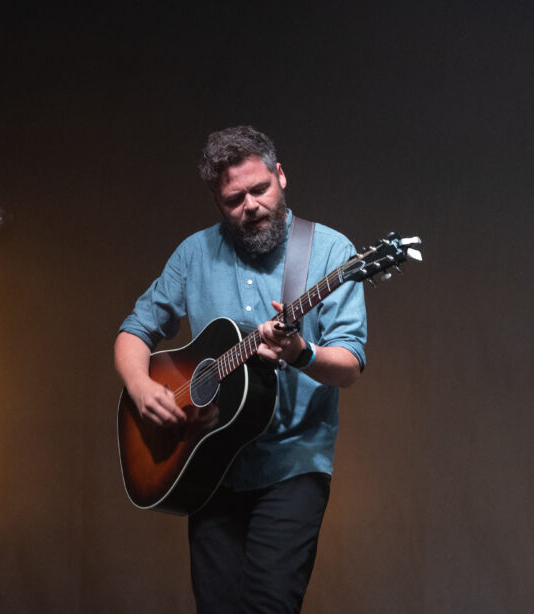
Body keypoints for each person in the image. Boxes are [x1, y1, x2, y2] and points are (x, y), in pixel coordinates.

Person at [114, 125, 367, 613]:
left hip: (293, 464)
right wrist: (142, 387)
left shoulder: (331, 252)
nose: (251, 205)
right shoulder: (194, 254)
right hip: (211, 466)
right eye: (234, 199)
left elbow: (350, 365)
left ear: (280, 176)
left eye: (260, 189)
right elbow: (134, 331)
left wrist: (300, 352)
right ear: (217, 201)